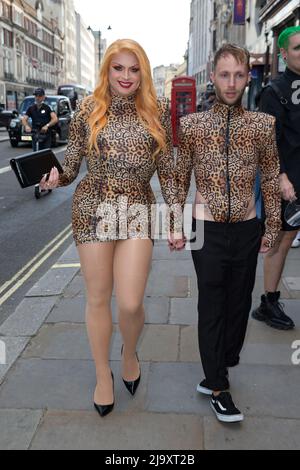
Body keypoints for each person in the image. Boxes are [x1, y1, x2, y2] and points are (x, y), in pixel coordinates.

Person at [39, 39, 183, 417]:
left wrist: (175, 219)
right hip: (93, 208)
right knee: (99, 297)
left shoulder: (157, 110)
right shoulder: (88, 109)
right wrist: (56, 178)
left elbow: (167, 170)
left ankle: (129, 351)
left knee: (132, 301)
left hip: (137, 209)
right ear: (107, 70)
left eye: (134, 69)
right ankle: (103, 375)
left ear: (144, 74)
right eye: (118, 68)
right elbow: (71, 166)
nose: (126, 76)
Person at [176, 44, 281, 423]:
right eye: (225, 74)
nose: (232, 82)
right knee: (212, 302)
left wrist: (271, 225)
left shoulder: (262, 125)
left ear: (247, 77)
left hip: (248, 227)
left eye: (238, 75)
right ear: (213, 76)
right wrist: (174, 222)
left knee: (239, 305)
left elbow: (270, 176)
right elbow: (177, 178)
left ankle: (220, 363)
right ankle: (219, 386)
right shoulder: (192, 126)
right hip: (206, 228)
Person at [252, 26, 300, 330]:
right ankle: (267, 302)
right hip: (288, 181)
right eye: (297, 48)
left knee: (290, 237)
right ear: (283, 54)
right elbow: (268, 141)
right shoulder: (274, 91)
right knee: (280, 241)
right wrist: (281, 178)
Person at [22, 88, 58, 198]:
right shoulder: (31, 108)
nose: (37, 97)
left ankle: (48, 179)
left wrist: (47, 125)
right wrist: (27, 126)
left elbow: (55, 119)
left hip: (45, 136)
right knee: (35, 157)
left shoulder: (47, 108)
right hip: (35, 135)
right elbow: (24, 119)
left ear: (43, 96)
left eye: (39, 96)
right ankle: (38, 180)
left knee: (44, 158)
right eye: (36, 96)